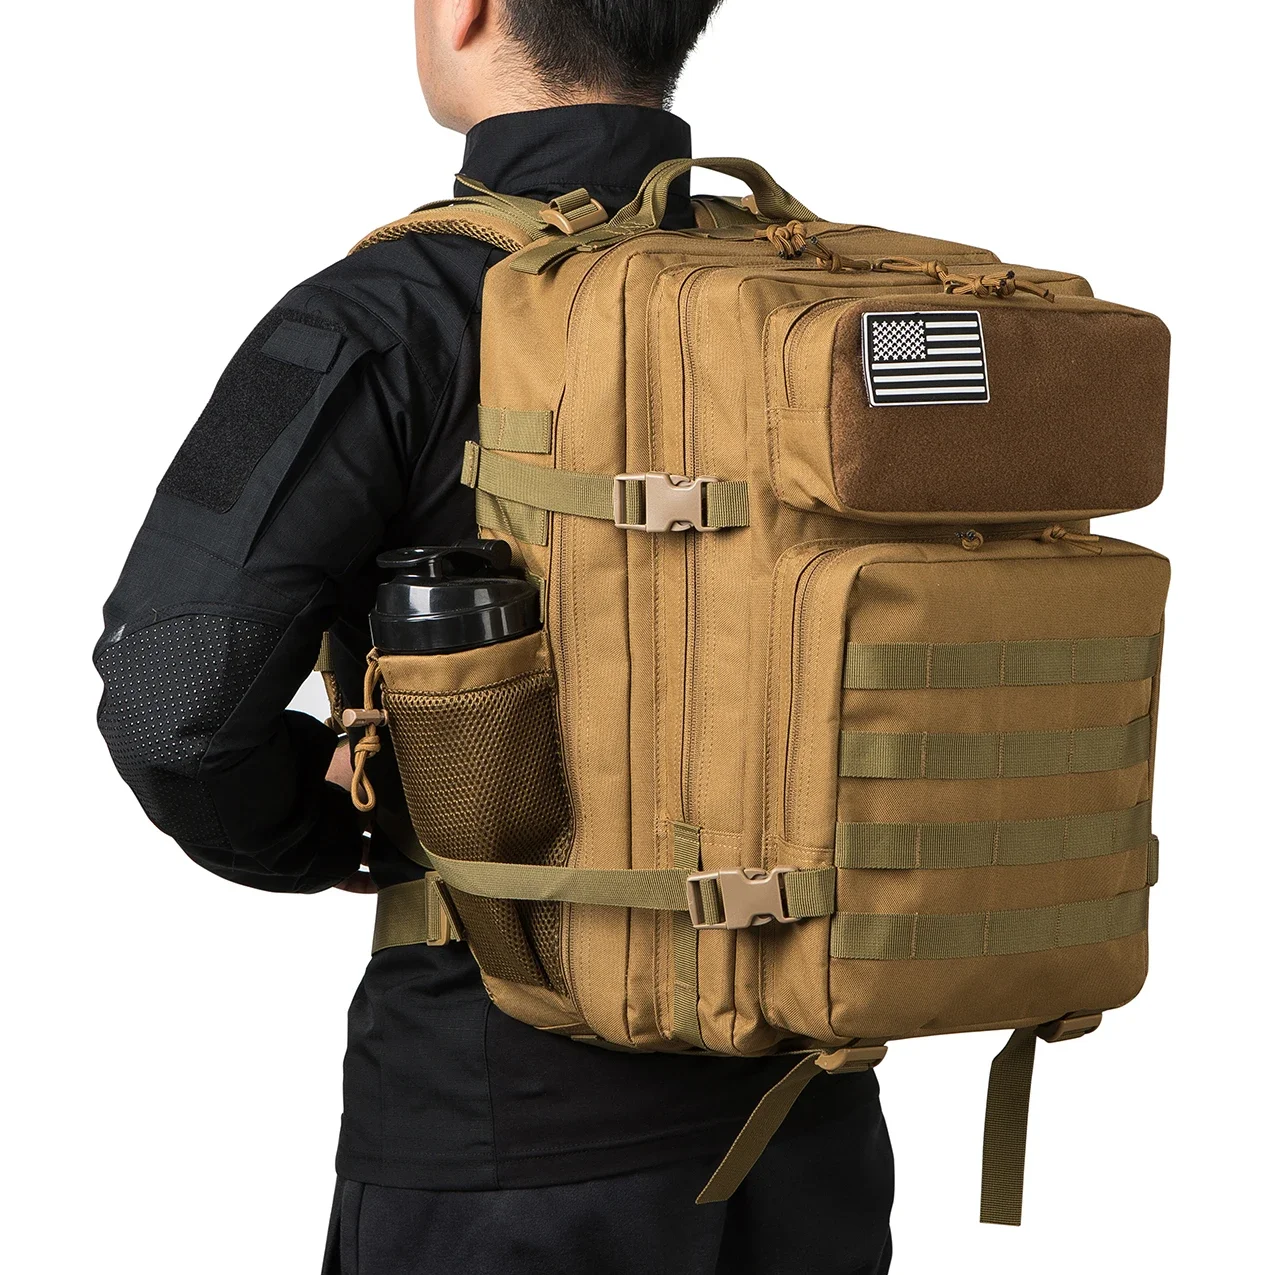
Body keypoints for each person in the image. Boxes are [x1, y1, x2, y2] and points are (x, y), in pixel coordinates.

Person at [94, 2, 894, 1270]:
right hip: (810, 1118)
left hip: (503, 1126)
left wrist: (343, 831)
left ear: (464, 9)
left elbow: (170, 701)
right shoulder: (819, 298)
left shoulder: (383, 312)